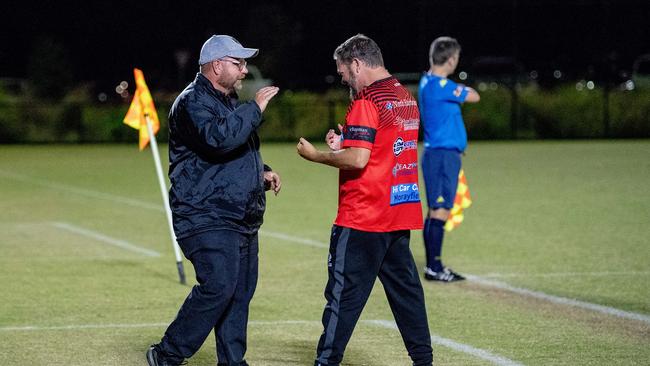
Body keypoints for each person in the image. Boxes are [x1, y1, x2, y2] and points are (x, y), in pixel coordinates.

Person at [297, 34, 433, 366]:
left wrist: (318, 155)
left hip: (363, 218)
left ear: (357, 64)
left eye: (344, 72)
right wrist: (345, 140)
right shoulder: (403, 97)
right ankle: (424, 361)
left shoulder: (367, 101)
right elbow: (383, 147)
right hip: (397, 214)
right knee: (407, 296)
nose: (343, 78)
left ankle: (325, 362)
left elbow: (358, 160)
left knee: (342, 299)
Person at [146, 35, 281, 366]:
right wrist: (256, 108)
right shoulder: (192, 102)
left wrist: (259, 172)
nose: (245, 70)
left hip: (240, 214)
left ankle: (233, 362)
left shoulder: (227, 101)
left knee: (239, 294)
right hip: (204, 214)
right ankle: (166, 355)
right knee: (219, 285)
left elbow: (233, 150)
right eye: (239, 63)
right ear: (216, 65)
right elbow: (219, 139)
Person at [418, 36, 480, 282]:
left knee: (436, 211)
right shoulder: (439, 86)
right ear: (451, 59)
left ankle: (434, 265)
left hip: (441, 155)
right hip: (442, 156)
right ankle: (434, 267)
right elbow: (474, 96)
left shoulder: (428, 82)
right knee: (440, 210)